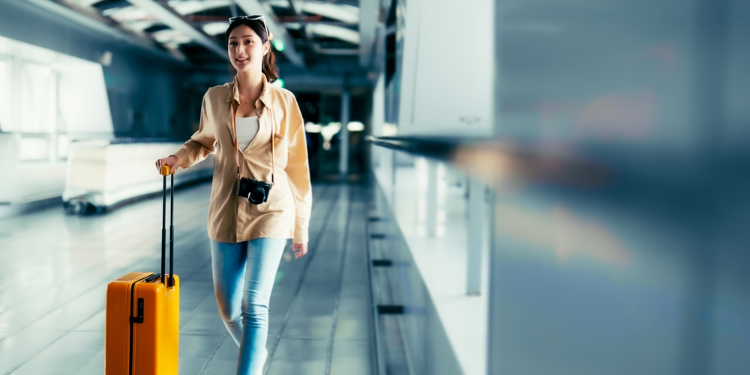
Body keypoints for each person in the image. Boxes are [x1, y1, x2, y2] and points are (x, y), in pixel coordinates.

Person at [155, 15, 312, 375]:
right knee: (228, 310)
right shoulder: (214, 98)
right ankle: (257, 355)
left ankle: (249, 369)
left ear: (265, 47)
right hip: (225, 210)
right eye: (233, 44)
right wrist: (176, 158)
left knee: (254, 306)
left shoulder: (285, 103)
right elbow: (202, 141)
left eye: (248, 42)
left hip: (272, 209)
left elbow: (299, 168)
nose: (240, 50)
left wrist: (300, 226)